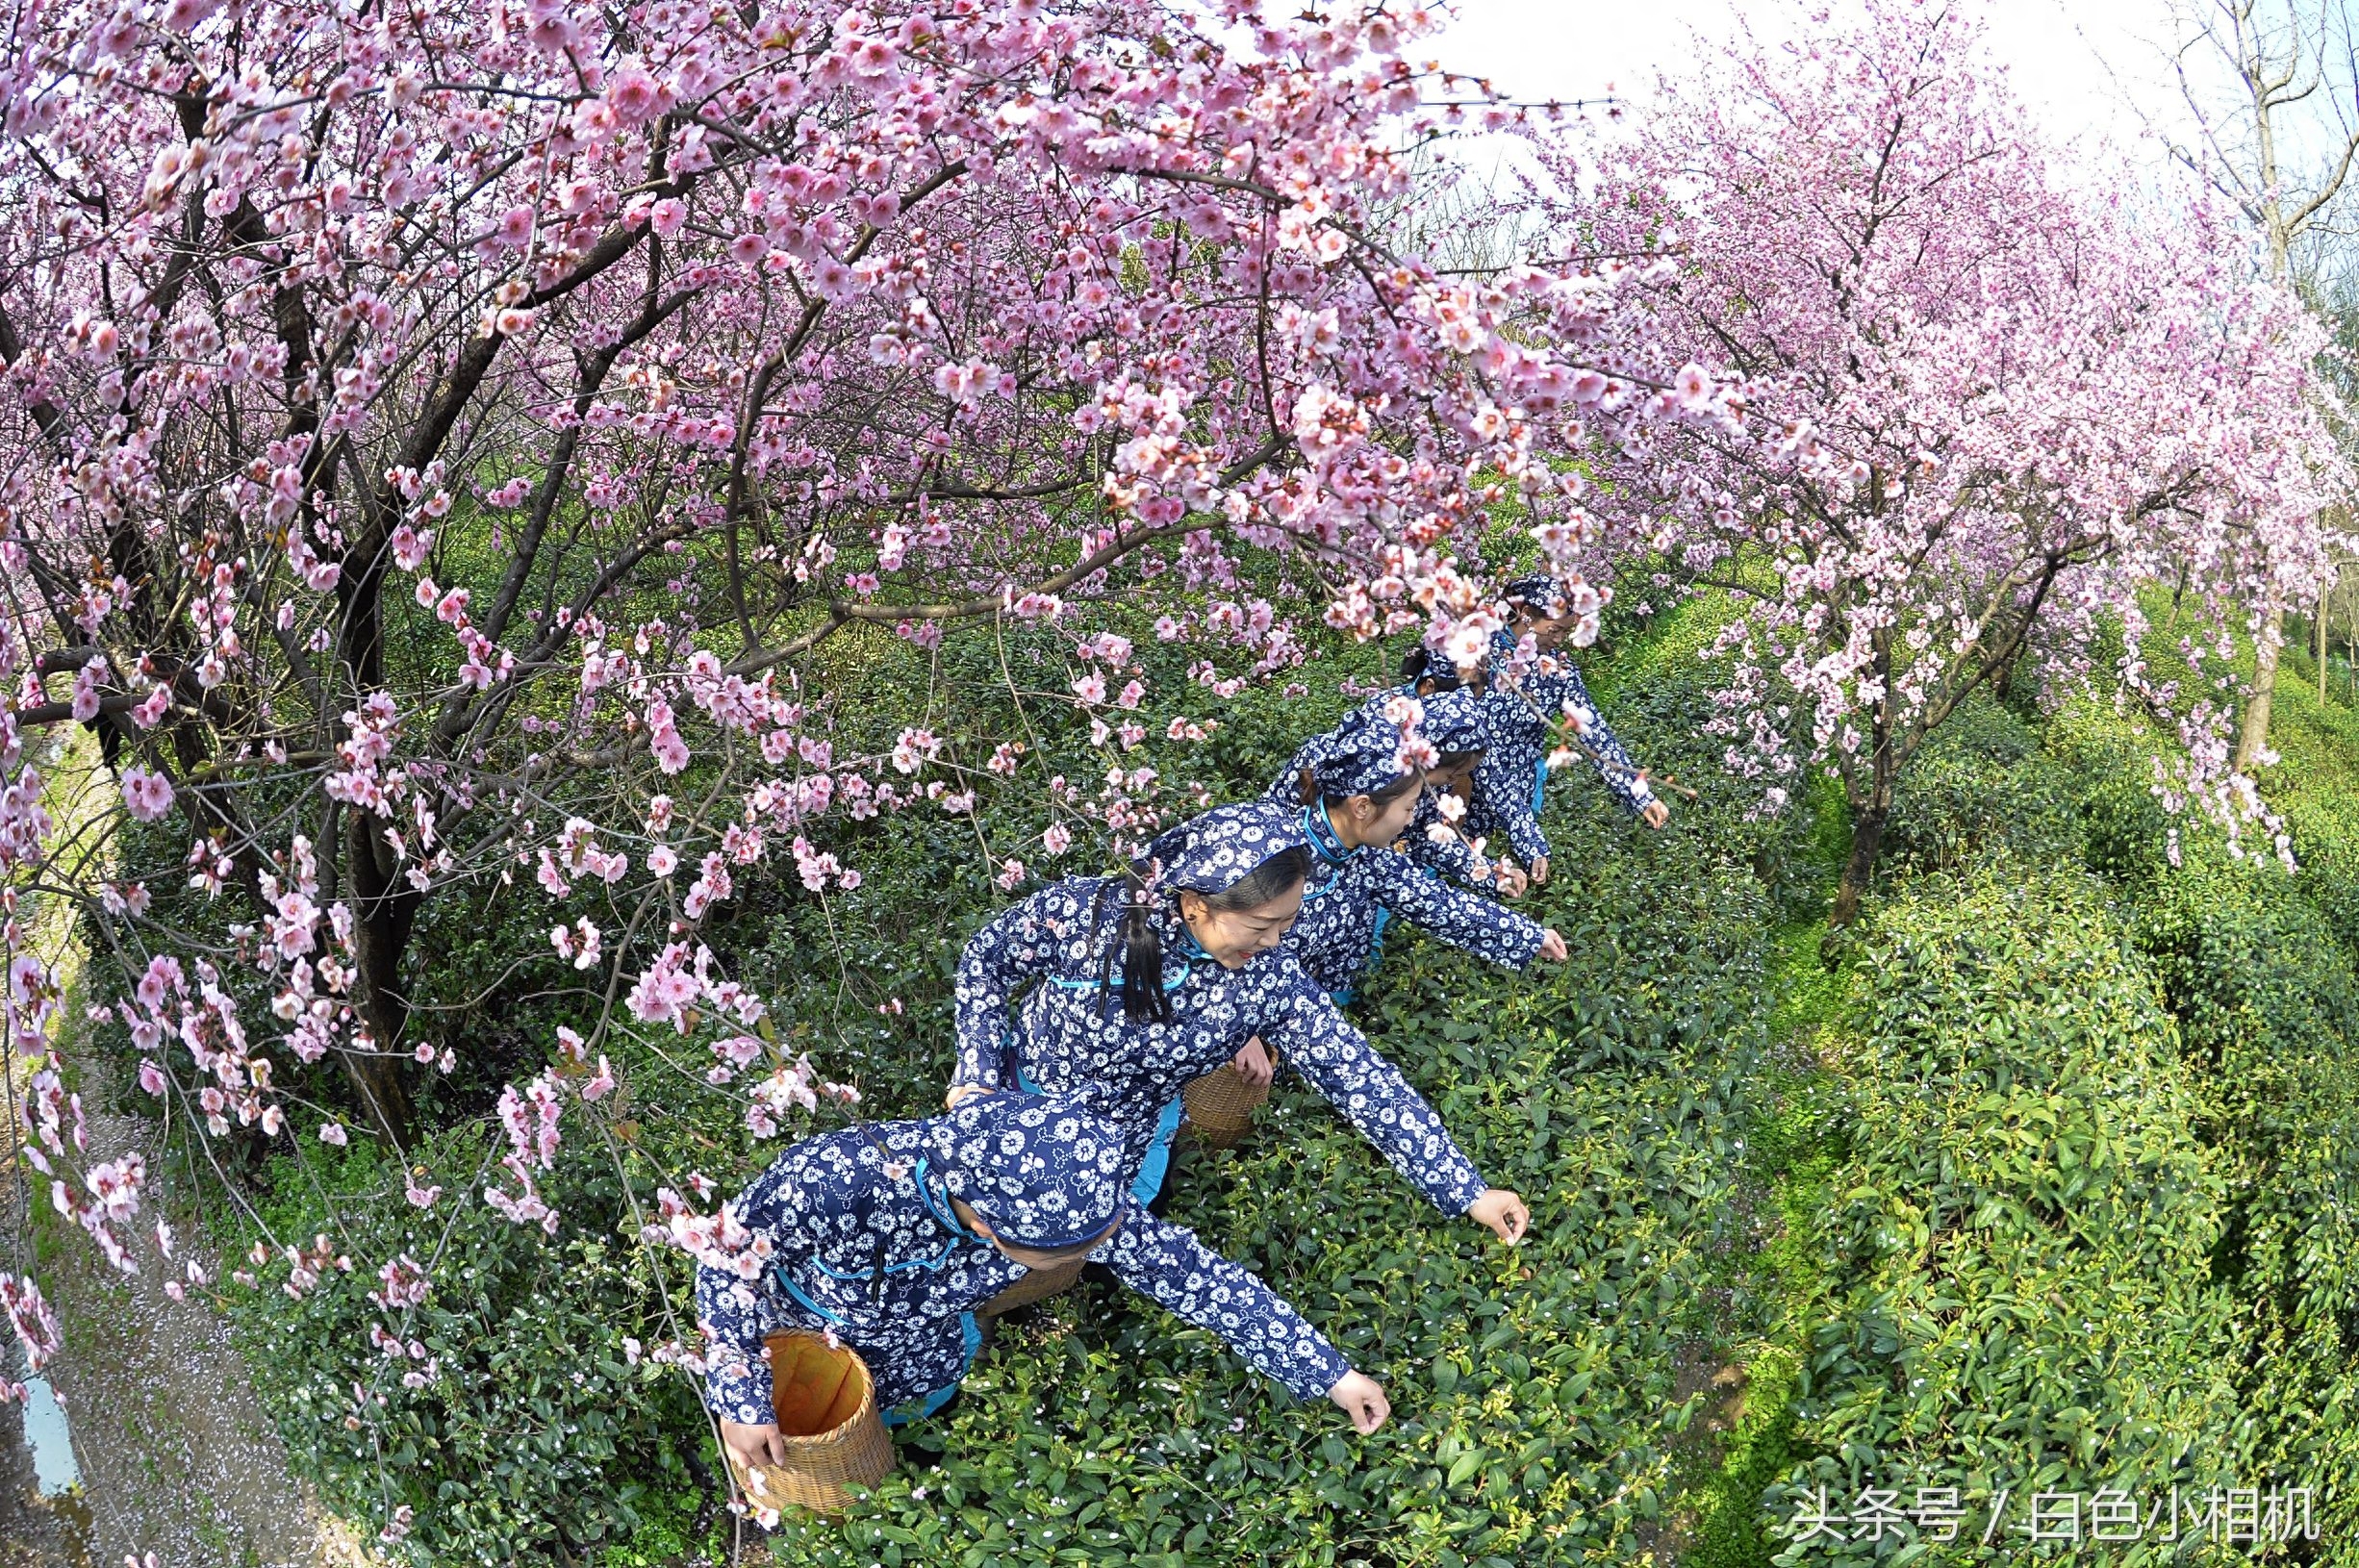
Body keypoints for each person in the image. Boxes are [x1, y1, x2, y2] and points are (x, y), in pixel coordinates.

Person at [697, 1093, 1394, 1486]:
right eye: (1068, 1256)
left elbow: (1198, 1277)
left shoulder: (1073, 1185)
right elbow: (725, 1256)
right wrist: (738, 1396)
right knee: (806, 1462)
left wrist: (1331, 1374)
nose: (1092, 1255)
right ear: (998, 1233)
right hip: (805, 1339)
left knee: (902, 1417)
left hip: (926, 1343)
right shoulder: (837, 1178)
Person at [946, 800, 1530, 1242]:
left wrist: (1466, 1190)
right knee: (995, 1244)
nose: (1276, 942)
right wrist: (977, 1076)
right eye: (1259, 927)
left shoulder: (1266, 975)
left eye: (1286, 923)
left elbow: (1358, 1076)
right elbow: (985, 959)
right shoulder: (1086, 916)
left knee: (1100, 1248)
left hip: (1130, 1140)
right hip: (1023, 1111)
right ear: (1197, 903)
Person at [1259, 699, 1565, 1008]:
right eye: (1409, 807)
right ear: (1363, 806)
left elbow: (1438, 904)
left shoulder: (1370, 861)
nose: (1411, 819)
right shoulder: (1271, 851)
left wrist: (1527, 934)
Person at [1473, 575, 1671, 887]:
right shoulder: (1477, 653)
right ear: (1526, 615)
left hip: (1519, 791)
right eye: (1555, 630)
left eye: (1567, 631)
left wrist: (1640, 795)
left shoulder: (1559, 671)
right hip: (1459, 784)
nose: (1561, 640)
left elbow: (1594, 734)